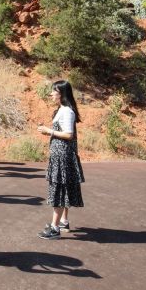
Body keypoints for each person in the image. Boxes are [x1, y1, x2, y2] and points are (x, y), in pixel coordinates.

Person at [37, 80, 85, 240]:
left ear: (61, 94)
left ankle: (54, 228)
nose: (51, 94)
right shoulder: (62, 110)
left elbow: (68, 134)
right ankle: (63, 221)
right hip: (60, 155)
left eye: (53, 91)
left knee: (59, 189)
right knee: (62, 188)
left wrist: (48, 131)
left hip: (63, 157)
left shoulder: (67, 112)